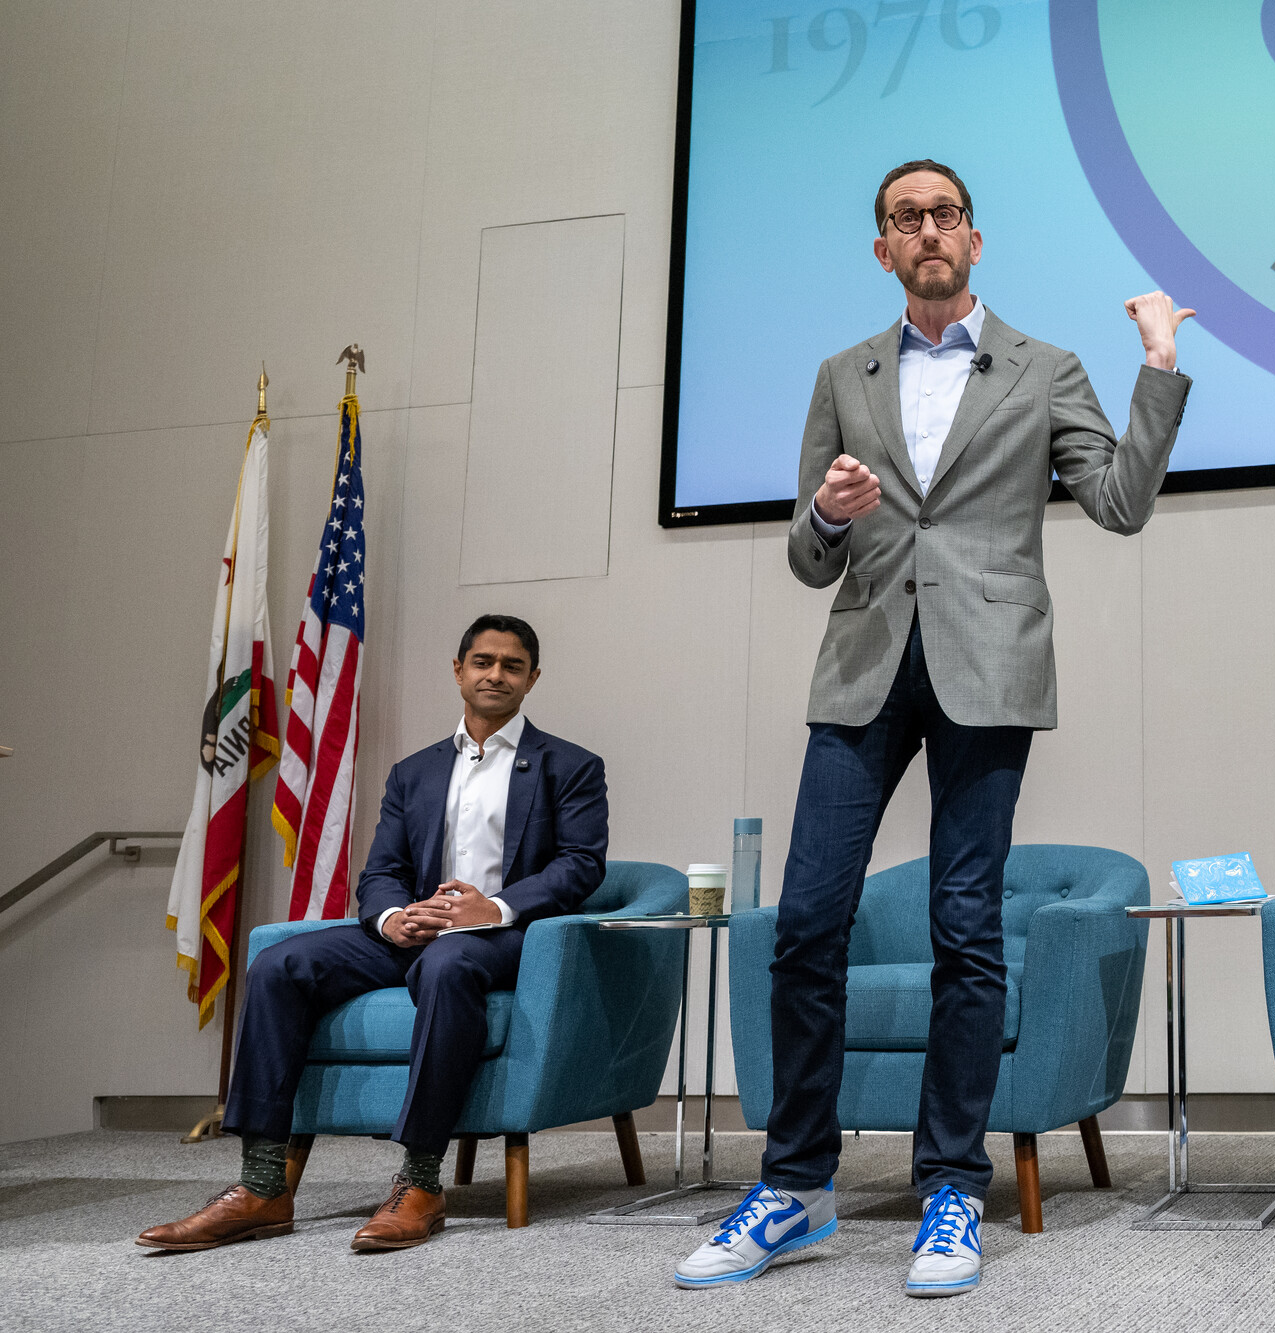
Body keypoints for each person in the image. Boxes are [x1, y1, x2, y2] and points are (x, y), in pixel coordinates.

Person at [674, 159, 1194, 1297]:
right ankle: (796, 1188)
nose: (927, 232)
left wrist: (1157, 366)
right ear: (881, 249)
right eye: (904, 219)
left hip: (987, 665)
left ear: (974, 236)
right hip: (862, 666)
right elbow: (811, 558)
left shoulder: (1045, 367)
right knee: (807, 922)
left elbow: (1118, 502)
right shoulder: (840, 375)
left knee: (967, 928)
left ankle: (951, 1184)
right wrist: (825, 510)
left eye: (944, 215)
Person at [137, 615, 608, 1253]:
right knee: (279, 965)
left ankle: (420, 1183)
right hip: (411, 933)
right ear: (459, 670)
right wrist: (394, 918)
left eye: (512, 665)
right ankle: (261, 1187)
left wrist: (491, 908)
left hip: (500, 939)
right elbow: (382, 871)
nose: (495, 674)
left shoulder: (569, 766)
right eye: (483, 661)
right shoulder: (414, 772)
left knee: (449, 966)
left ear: (532, 679)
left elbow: (579, 865)